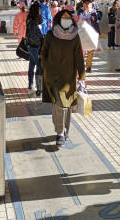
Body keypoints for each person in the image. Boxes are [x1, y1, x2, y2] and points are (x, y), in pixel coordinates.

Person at [40, 9, 86, 146]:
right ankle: (60, 132)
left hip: (68, 76)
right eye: (64, 17)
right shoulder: (50, 35)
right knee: (59, 104)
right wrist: (46, 67)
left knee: (68, 105)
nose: (66, 19)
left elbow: (79, 57)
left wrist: (82, 76)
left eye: (69, 17)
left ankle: (65, 130)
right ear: (59, 18)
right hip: (53, 76)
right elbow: (44, 53)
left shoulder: (75, 37)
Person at [77, 0, 100, 72]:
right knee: (82, 51)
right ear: (83, 4)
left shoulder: (93, 12)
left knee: (90, 51)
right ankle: (80, 66)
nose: (87, 4)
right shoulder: (80, 11)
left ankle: (88, 66)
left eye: (88, 3)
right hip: (82, 33)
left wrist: (98, 33)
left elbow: (96, 23)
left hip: (91, 33)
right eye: (86, 3)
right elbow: (78, 21)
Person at [26, 3, 44, 94]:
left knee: (32, 65)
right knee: (39, 66)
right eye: (39, 10)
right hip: (34, 46)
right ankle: (39, 88)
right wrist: (40, 41)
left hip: (33, 46)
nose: (41, 11)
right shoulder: (31, 21)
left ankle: (31, 85)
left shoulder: (35, 20)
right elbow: (32, 36)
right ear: (36, 10)